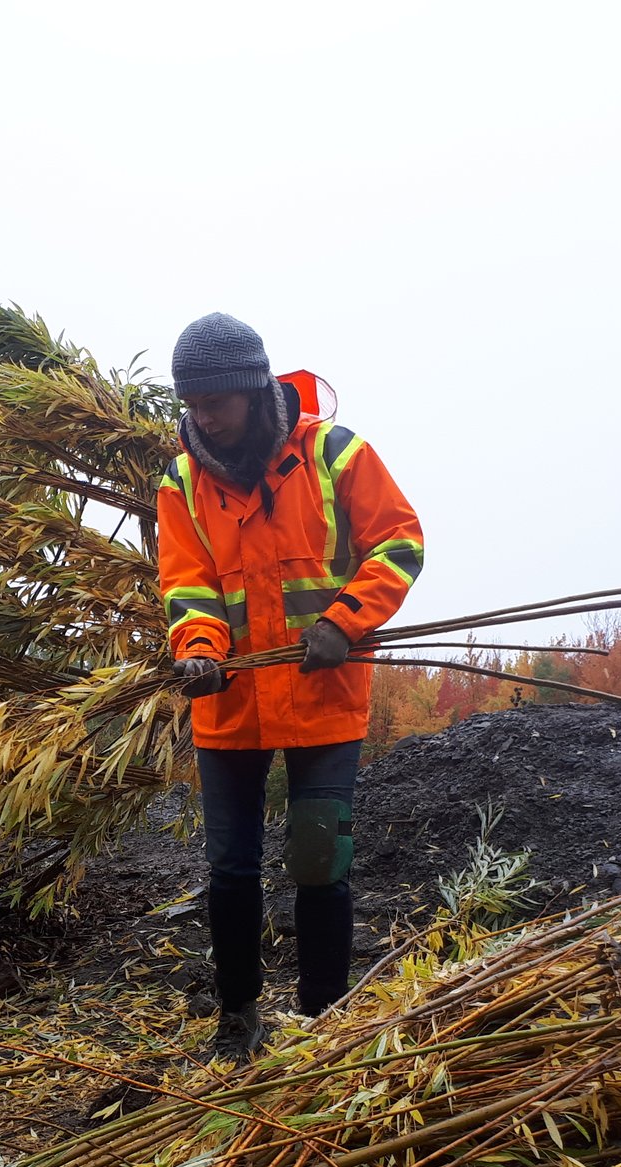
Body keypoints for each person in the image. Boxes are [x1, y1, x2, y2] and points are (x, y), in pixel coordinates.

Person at [157, 313, 426, 1060]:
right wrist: (201, 648)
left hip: (324, 698)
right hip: (229, 702)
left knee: (318, 861)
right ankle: (238, 1020)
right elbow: (187, 582)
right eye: (192, 402)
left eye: (214, 401)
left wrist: (345, 621)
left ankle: (323, 1023)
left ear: (250, 388)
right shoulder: (182, 478)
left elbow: (400, 542)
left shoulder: (336, 455)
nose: (200, 415)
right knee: (231, 870)